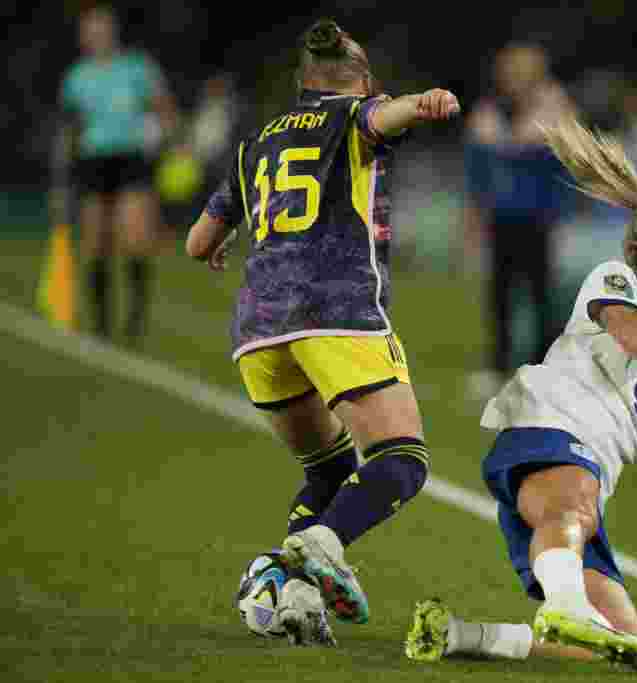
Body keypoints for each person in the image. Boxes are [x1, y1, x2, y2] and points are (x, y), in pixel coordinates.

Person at [405, 117, 637, 668]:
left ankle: (459, 635)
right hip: (548, 431)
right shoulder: (614, 281)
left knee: (620, 641)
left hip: (584, 473)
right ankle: (566, 604)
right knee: (575, 511)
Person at [185, 18, 460, 645]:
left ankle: (298, 600)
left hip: (258, 327)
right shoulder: (358, 113)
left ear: (304, 81)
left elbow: (198, 240)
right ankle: (310, 551)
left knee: (330, 471)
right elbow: (381, 122)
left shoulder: (254, 142)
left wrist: (225, 241)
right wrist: (422, 105)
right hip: (335, 312)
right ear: (361, 81)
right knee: (402, 461)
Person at [53, 4, 179, 341]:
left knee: (136, 238)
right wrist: (63, 173)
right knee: (96, 243)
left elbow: (164, 108)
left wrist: (169, 140)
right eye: (90, 28)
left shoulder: (136, 67)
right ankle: (101, 325)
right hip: (93, 162)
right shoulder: (76, 77)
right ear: (83, 35)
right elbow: (70, 129)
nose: (96, 34)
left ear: (113, 30)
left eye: (102, 26)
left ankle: (135, 322)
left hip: (132, 158)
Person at [463, 42, 577, 398]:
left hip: (539, 218)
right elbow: (478, 168)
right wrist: (475, 211)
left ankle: (545, 367)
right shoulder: (491, 112)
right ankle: (498, 366)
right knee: (499, 293)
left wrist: (561, 208)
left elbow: (566, 166)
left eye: (518, 73)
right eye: (507, 73)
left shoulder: (556, 110)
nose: (511, 80)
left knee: (541, 294)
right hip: (502, 216)